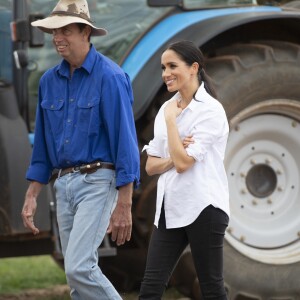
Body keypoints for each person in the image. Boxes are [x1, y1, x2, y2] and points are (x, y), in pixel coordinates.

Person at [21, 0, 140, 299]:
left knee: (79, 268)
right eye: (54, 31)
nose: (57, 37)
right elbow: (44, 147)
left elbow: (125, 142)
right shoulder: (49, 81)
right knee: (76, 279)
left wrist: (124, 203)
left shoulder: (111, 77)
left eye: (65, 30)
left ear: (85, 32)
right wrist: (32, 194)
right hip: (63, 185)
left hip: (98, 182)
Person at [139, 40, 230, 300]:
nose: (165, 73)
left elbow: (182, 164)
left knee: (211, 288)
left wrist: (171, 123)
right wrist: (175, 150)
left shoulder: (211, 111)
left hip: (204, 208)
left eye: (172, 66)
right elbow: (151, 166)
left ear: (193, 68)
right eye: (163, 67)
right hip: (170, 209)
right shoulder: (166, 109)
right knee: (150, 288)